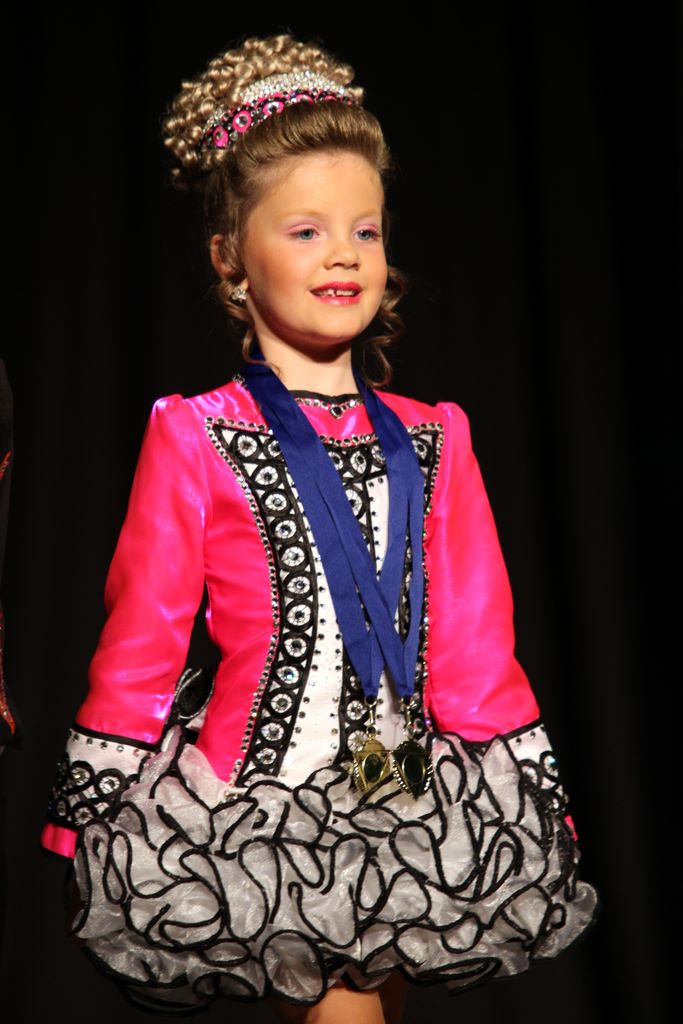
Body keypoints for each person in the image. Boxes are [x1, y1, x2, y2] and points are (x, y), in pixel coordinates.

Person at [39, 31, 600, 1023]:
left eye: (365, 231)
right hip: (259, 809)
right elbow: (144, 641)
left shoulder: (433, 436)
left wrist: (530, 791)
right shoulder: (196, 432)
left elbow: (474, 650)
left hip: (409, 800)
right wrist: (93, 806)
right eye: (304, 231)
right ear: (229, 259)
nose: (343, 253)